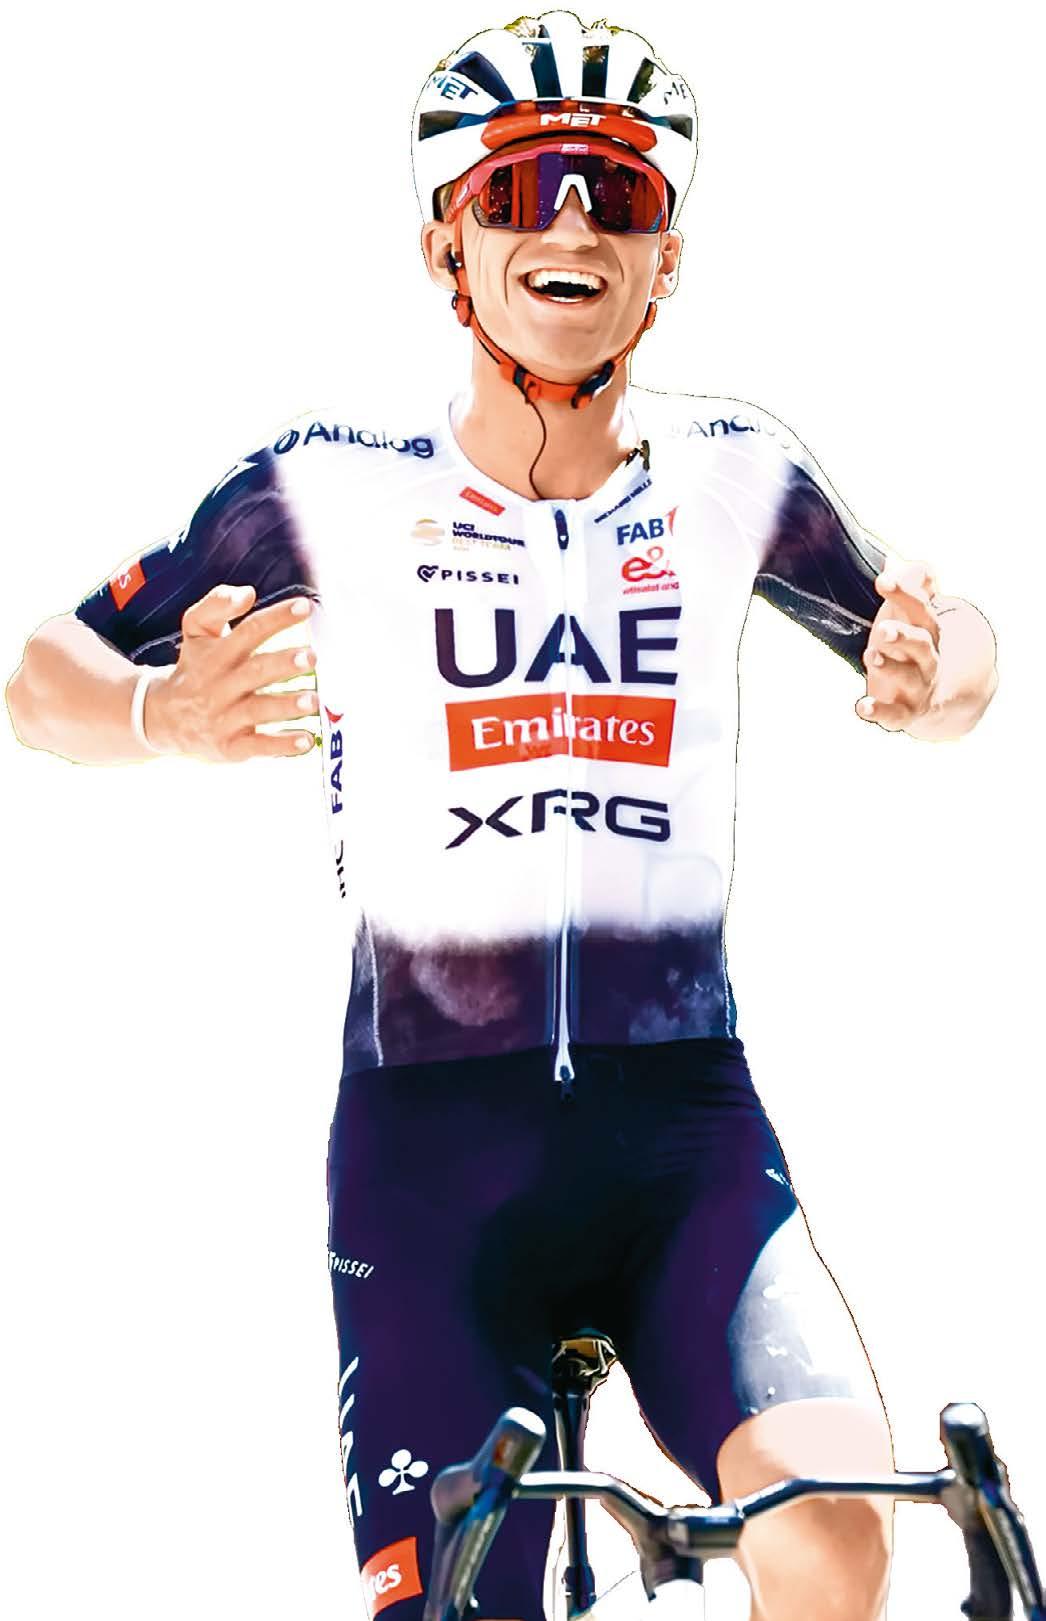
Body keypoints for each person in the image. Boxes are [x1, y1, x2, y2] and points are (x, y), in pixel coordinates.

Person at [4, 11, 999, 1621]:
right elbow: (42, 670)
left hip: (686, 1138)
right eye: (524, 189)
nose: (573, 228)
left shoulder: (738, 470)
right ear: (444, 247)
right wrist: (154, 716)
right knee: (470, 1600)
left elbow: (948, 635)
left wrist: (929, 674)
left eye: (619, 195)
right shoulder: (327, 483)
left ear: (665, 260)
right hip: (430, 1154)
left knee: (836, 1537)